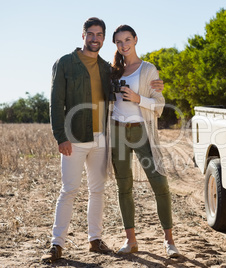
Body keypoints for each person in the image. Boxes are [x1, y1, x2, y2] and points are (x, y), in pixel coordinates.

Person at [41, 18, 164, 263]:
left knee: (97, 190)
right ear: (83, 35)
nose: (95, 38)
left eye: (99, 35)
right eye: (91, 34)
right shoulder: (65, 63)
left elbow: (132, 79)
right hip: (73, 138)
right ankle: (57, 244)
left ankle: (94, 240)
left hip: (101, 138)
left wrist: (155, 85)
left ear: (103, 38)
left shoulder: (108, 68)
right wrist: (60, 136)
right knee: (69, 190)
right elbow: (56, 103)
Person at [110, 24, 179, 258]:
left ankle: (169, 241)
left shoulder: (148, 69)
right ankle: (131, 241)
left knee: (159, 182)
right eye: (119, 42)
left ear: (136, 40)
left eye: (127, 40)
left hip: (142, 131)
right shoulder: (112, 70)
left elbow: (159, 104)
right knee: (124, 186)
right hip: (118, 133)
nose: (123, 45)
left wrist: (139, 98)